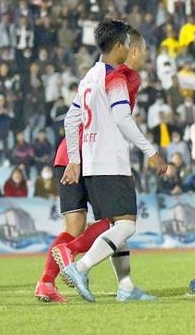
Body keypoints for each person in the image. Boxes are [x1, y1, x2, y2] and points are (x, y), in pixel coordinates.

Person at [56, 21, 166, 303]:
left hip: (92, 163)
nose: (131, 51)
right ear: (119, 46)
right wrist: (150, 151)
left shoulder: (90, 77)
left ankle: (126, 286)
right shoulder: (115, 77)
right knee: (127, 225)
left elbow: (71, 120)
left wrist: (76, 160)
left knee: (119, 226)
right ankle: (80, 267)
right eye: (128, 46)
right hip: (110, 161)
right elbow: (121, 118)